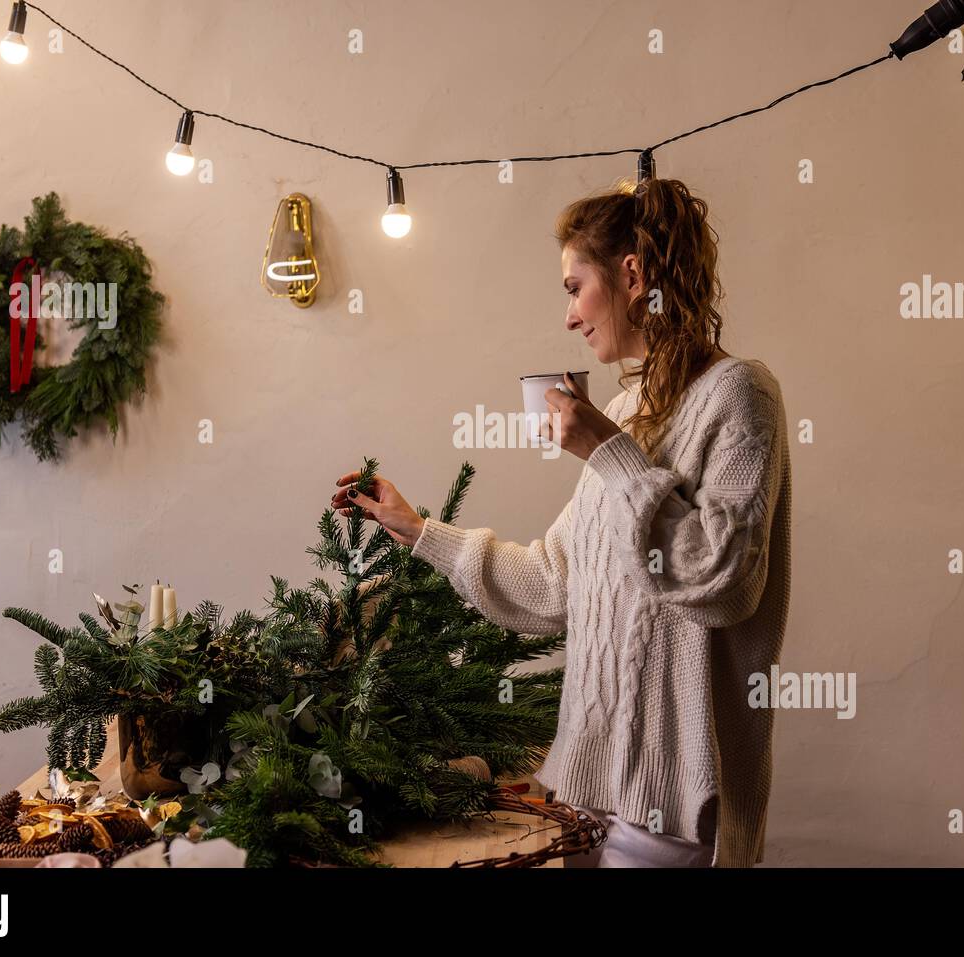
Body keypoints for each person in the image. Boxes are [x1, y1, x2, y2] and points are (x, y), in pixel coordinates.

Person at [329, 176, 792, 867]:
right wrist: (417, 527)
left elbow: (724, 583)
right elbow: (551, 582)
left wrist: (609, 452)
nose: (570, 316)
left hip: (670, 809)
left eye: (575, 287)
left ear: (631, 275)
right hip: (589, 792)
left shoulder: (738, 392)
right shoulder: (634, 412)